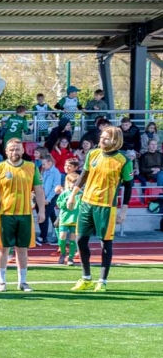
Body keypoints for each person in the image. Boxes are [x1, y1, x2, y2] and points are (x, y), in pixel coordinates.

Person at [72, 125, 133, 292]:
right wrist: (72, 195)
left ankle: (102, 280)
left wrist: (123, 210)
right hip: (87, 203)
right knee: (80, 240)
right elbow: (84, 175)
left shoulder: (123, 160)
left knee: (105, 243)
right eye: (101, 137)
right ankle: (86, 278)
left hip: (106, 207)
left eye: (106, 138)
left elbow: (128, 186)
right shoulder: (92, 154)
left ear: (115, 140)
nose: (102, 140)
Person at [0, 138, 43, 293]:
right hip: (5, 215)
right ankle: (2, 282)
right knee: (3, 248)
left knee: (22, 249)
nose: (14, 152)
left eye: (17, 149)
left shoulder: (32, 167)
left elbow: (38, 190)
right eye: (11, 149)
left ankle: (22, 282)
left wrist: (42, 211)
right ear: (6, 151)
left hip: (25, 214)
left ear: (23, 150)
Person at [55, 170, 83, 266]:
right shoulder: (65, 193)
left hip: (75, 219)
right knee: (62, 237)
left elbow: (83, 206)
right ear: (68, 183)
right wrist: (66, 202)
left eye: (76, 183)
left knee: (72, 239)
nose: (74, 185)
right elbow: (59, 204)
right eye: (72, 183)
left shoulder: (80, 194)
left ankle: (71, 257)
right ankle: (63, 253)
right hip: (64, 218)